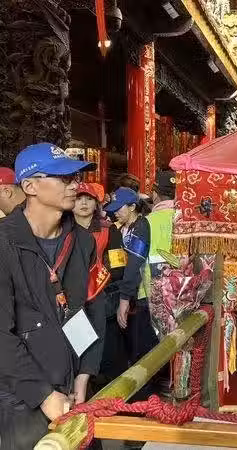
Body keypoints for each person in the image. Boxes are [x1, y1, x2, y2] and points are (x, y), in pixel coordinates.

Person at [0, 143, 104, 449]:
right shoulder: (4, 243)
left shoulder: (83, 241)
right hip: (22, 395)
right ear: (30, 186)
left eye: (75, 177)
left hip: (75, 385)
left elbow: (93, 308)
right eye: (63, 178)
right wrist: (43, 395)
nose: (75, 185)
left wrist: (86, 373)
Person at [72, 183, 128, 391]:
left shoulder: (108, 229)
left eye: (89, 199)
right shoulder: (62, 228)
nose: (84, 203)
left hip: (102, 295)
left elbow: (119, 265)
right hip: (71, 299)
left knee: (106, 349)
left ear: (96, 203)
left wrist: (99, 280)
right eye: (79, 198)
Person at [103, 187, 157, 375]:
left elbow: (134, 264)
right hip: (132, 294)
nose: (115, 213)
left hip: (140, 297)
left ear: (133, 207)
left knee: (140, 350)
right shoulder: (123, 228)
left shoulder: (140, 228)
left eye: (119, 208)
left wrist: (124, 299)